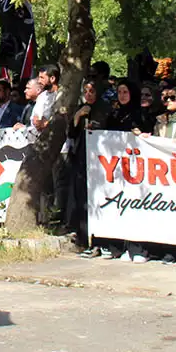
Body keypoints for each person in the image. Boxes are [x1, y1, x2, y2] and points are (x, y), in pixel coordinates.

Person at [70, 80, 112, 257]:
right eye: (85, 91)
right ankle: (83, 238)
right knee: (81, 198)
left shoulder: (105, 108)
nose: (88, 94)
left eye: (92, 91)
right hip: (81, 156)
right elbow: (71, 133)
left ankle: (101, 242)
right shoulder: (81, 108)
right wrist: (78, 116)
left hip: (101, 160)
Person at [31, 64, 61, 131]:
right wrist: (36, 122)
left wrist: (46, 124)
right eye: (39, 77)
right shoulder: (42, 96)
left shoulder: (61, 96)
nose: (39, 81)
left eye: (42, 78)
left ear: (52, 78)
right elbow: (34, 118)